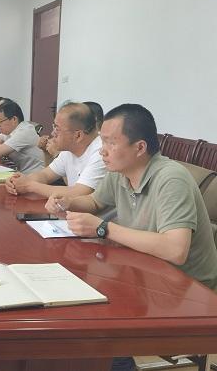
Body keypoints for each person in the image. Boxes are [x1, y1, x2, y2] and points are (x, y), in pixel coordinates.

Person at [46, 104, 217, 371]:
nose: (102, 150)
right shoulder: (120, 173)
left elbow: (175, 250)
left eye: (110, 142)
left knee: (95, 320)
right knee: (71, 295)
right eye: (102, 141)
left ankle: (116, 359)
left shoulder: (171, 179)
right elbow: (95, 202)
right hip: (142, 272)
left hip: (184, 290)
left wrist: (103, 228)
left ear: (139, 147)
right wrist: (67, 202)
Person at [5, 101, 106, 199]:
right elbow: (45, 175)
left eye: (57, 129)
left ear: (78, 135)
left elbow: (78, 193)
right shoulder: (70, 149)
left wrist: (29, 185)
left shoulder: (101, 152)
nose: (53, 133)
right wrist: (18, 181)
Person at [0, 101, 43, 174]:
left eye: (0, 121)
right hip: (20, 173)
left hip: (35, 176)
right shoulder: (8, 131)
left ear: (14, 119)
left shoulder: (24, 132)